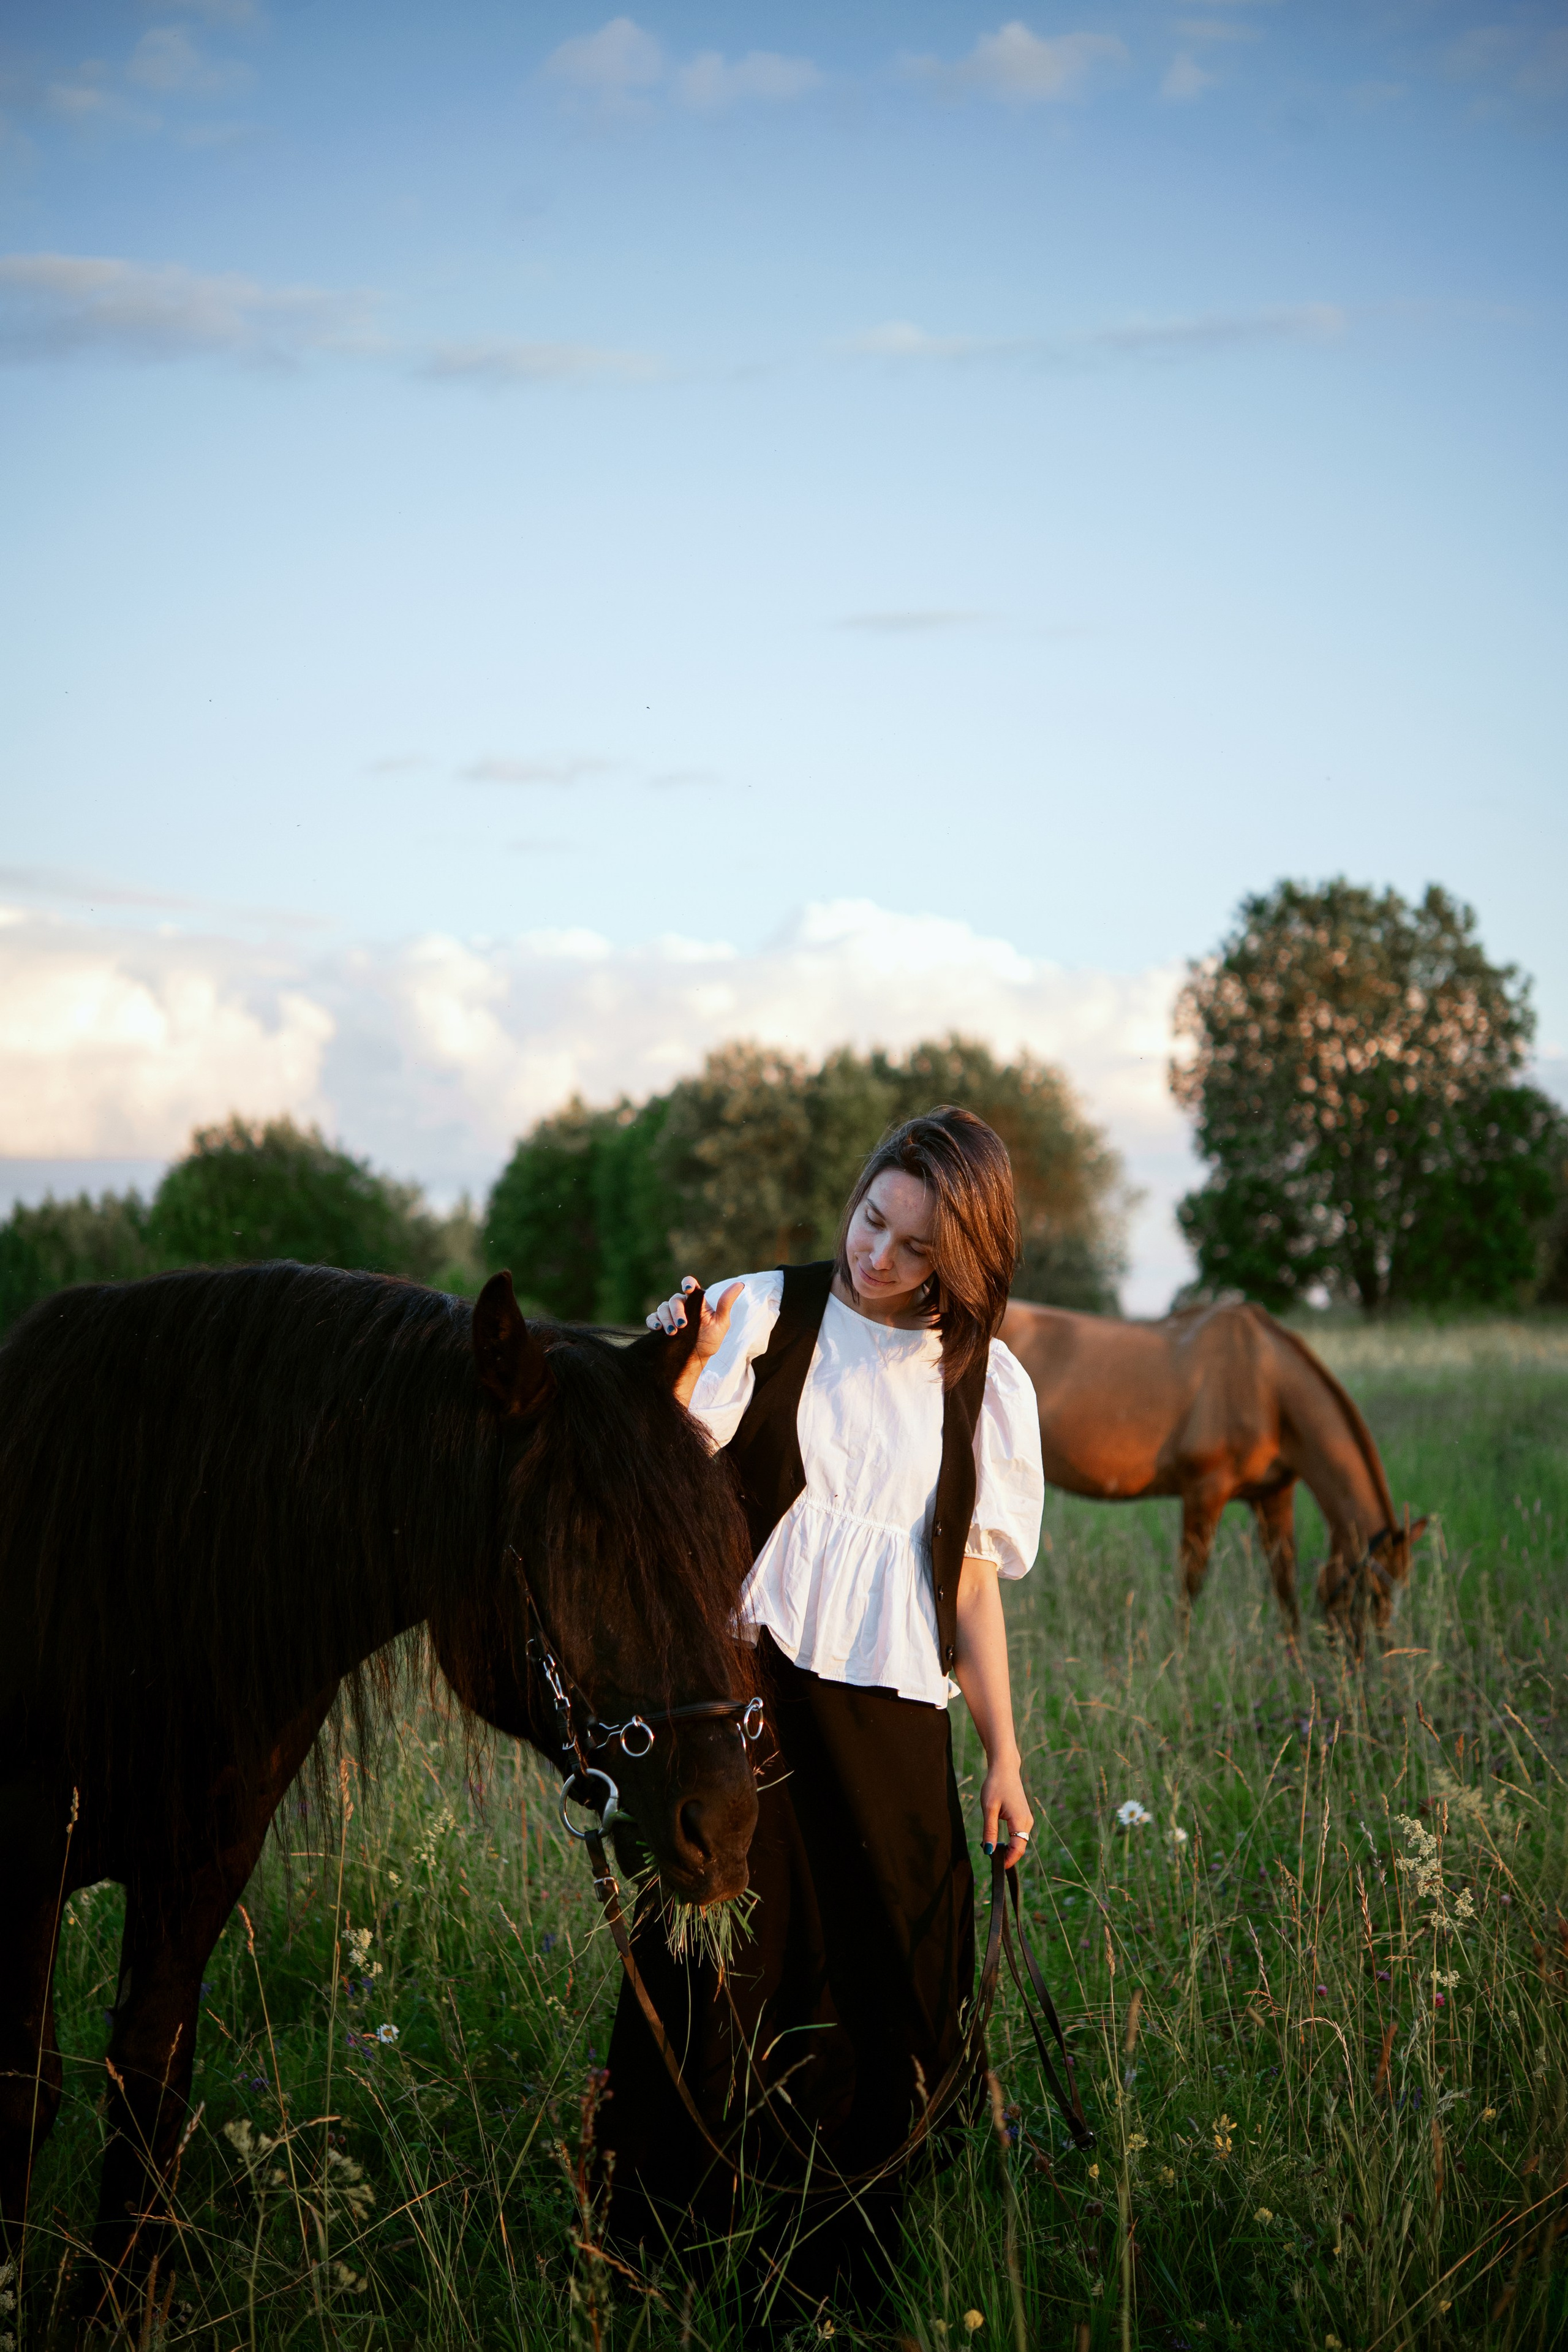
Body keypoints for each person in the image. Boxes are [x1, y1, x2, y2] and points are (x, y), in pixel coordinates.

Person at [598, 1107, 1046, 2318]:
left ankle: (839, 2266)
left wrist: (1002, 1756)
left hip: (895, 1717)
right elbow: (668, 1470)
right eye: (870, 1218)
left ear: (963, 1263)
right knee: (721, 1963)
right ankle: (666, 2252)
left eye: (912, 1249)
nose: (875, 1258)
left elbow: (965, 1590)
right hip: (750, 1699)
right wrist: (682, 1366)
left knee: (886, 1977)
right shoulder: (765, 1314)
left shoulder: (982, 1384)